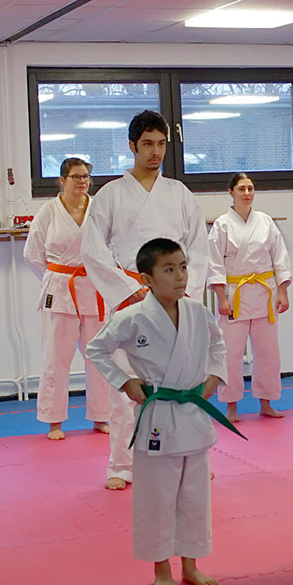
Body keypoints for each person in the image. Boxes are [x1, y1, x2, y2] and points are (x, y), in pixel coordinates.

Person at [85, 237, 229, 585]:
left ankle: (191, 565)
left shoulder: (197, 311)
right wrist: (125, 380)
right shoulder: (132, 317)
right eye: (169, 269)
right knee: (157, 497)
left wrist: (215, 375)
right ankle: (161, 568)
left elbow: (217, 343)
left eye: (183, 267)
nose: (180, 276)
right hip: (158, 415)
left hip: (193, 412)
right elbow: (96, 348)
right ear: (146, 279)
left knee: (195, 497)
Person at [81, 111, 209, 491]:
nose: (156, 152)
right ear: (132, 146)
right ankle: (122, 464)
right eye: (148, 144)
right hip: (131, 296)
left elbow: (198, 249)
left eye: (161, 144)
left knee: (180, 382)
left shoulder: (180, 194)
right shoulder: (110, 195)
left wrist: (185, 291)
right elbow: (93, 250)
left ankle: (187, 455)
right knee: (128, 387)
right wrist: (129, 289)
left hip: (174, 299)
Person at [24, 157, 115, 440]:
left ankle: (101, 416)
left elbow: (111, 248)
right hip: (61, 288)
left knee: (99, 356)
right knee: (56, 358)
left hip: (94, 289)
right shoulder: (49, 211)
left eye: (86, 176)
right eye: (76, 177)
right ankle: (54, 421)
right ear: (62, 180)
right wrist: (54, 278)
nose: (82, 182)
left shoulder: (99, 210)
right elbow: (32, 253)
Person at [207, 172, 291, 421]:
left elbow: (280, 258)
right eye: (241, 189)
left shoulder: (265, 222)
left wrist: (283, 292)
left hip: (265, 293)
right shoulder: (222, 225)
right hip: (235, 295)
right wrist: (221, 298)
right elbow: (214, 264)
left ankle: (266, 402)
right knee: (230, 354)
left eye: (250, 188)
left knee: (268, 353)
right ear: (231, 192)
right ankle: (231, 406)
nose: (246, 193)